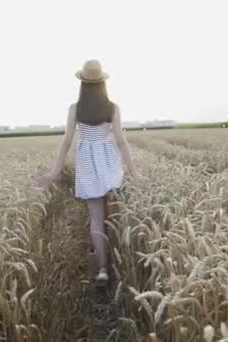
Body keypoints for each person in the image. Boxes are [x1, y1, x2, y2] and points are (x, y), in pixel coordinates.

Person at [39, 59, 139, 287]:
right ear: (103, 82)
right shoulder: (112, 108)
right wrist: (133, 173)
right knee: (113, 215)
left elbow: (66, 142)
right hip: (109, 159)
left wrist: (55, 171)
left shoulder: (75, 108)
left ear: (82, 83)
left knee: (96, 220)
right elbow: (121, 142)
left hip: (87, 161)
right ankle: (122, 265)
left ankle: (103, 270)